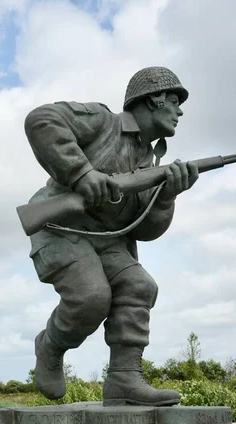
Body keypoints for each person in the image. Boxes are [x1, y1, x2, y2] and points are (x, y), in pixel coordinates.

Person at [24, 66, 199, 406]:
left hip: (109, 240)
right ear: (154, 99)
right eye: (174, 101)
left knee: (140, 285)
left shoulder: (151, 162)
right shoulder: (103, 122)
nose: (179, 111)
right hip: (61, 228)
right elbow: (41, 119)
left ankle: (124, 379)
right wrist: (81, 172)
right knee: (91, 297)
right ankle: (50, 346)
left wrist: (167, 196)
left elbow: (146, 230)